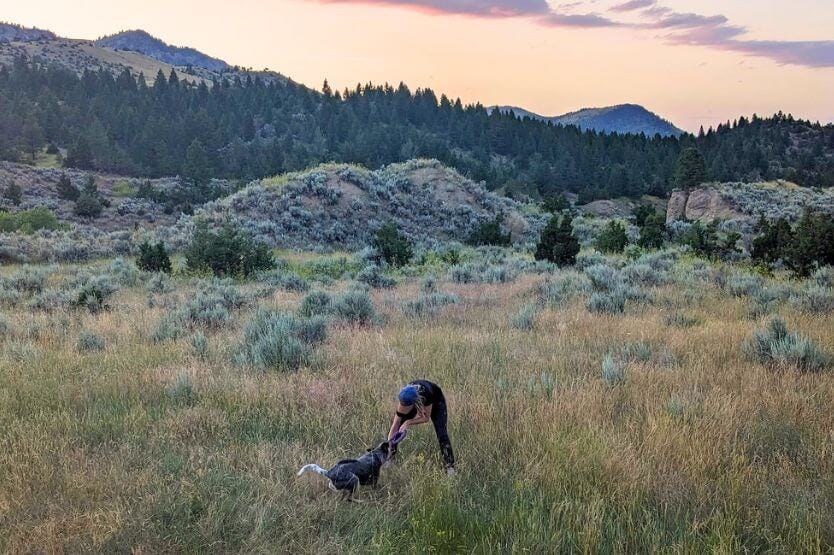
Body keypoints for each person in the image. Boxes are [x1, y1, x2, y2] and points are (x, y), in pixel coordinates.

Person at [388, 379, 456, 475]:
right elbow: (395, 423)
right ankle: (390, 460)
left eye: (406, 405)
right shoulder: (404, 396)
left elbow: (425, 418)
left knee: (442, 434)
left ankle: (450, 468)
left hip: (436, 399)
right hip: (415, 399)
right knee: (399, 425)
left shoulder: (426, 393)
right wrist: (389, 443)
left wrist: (408, 422)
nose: (403, 407)